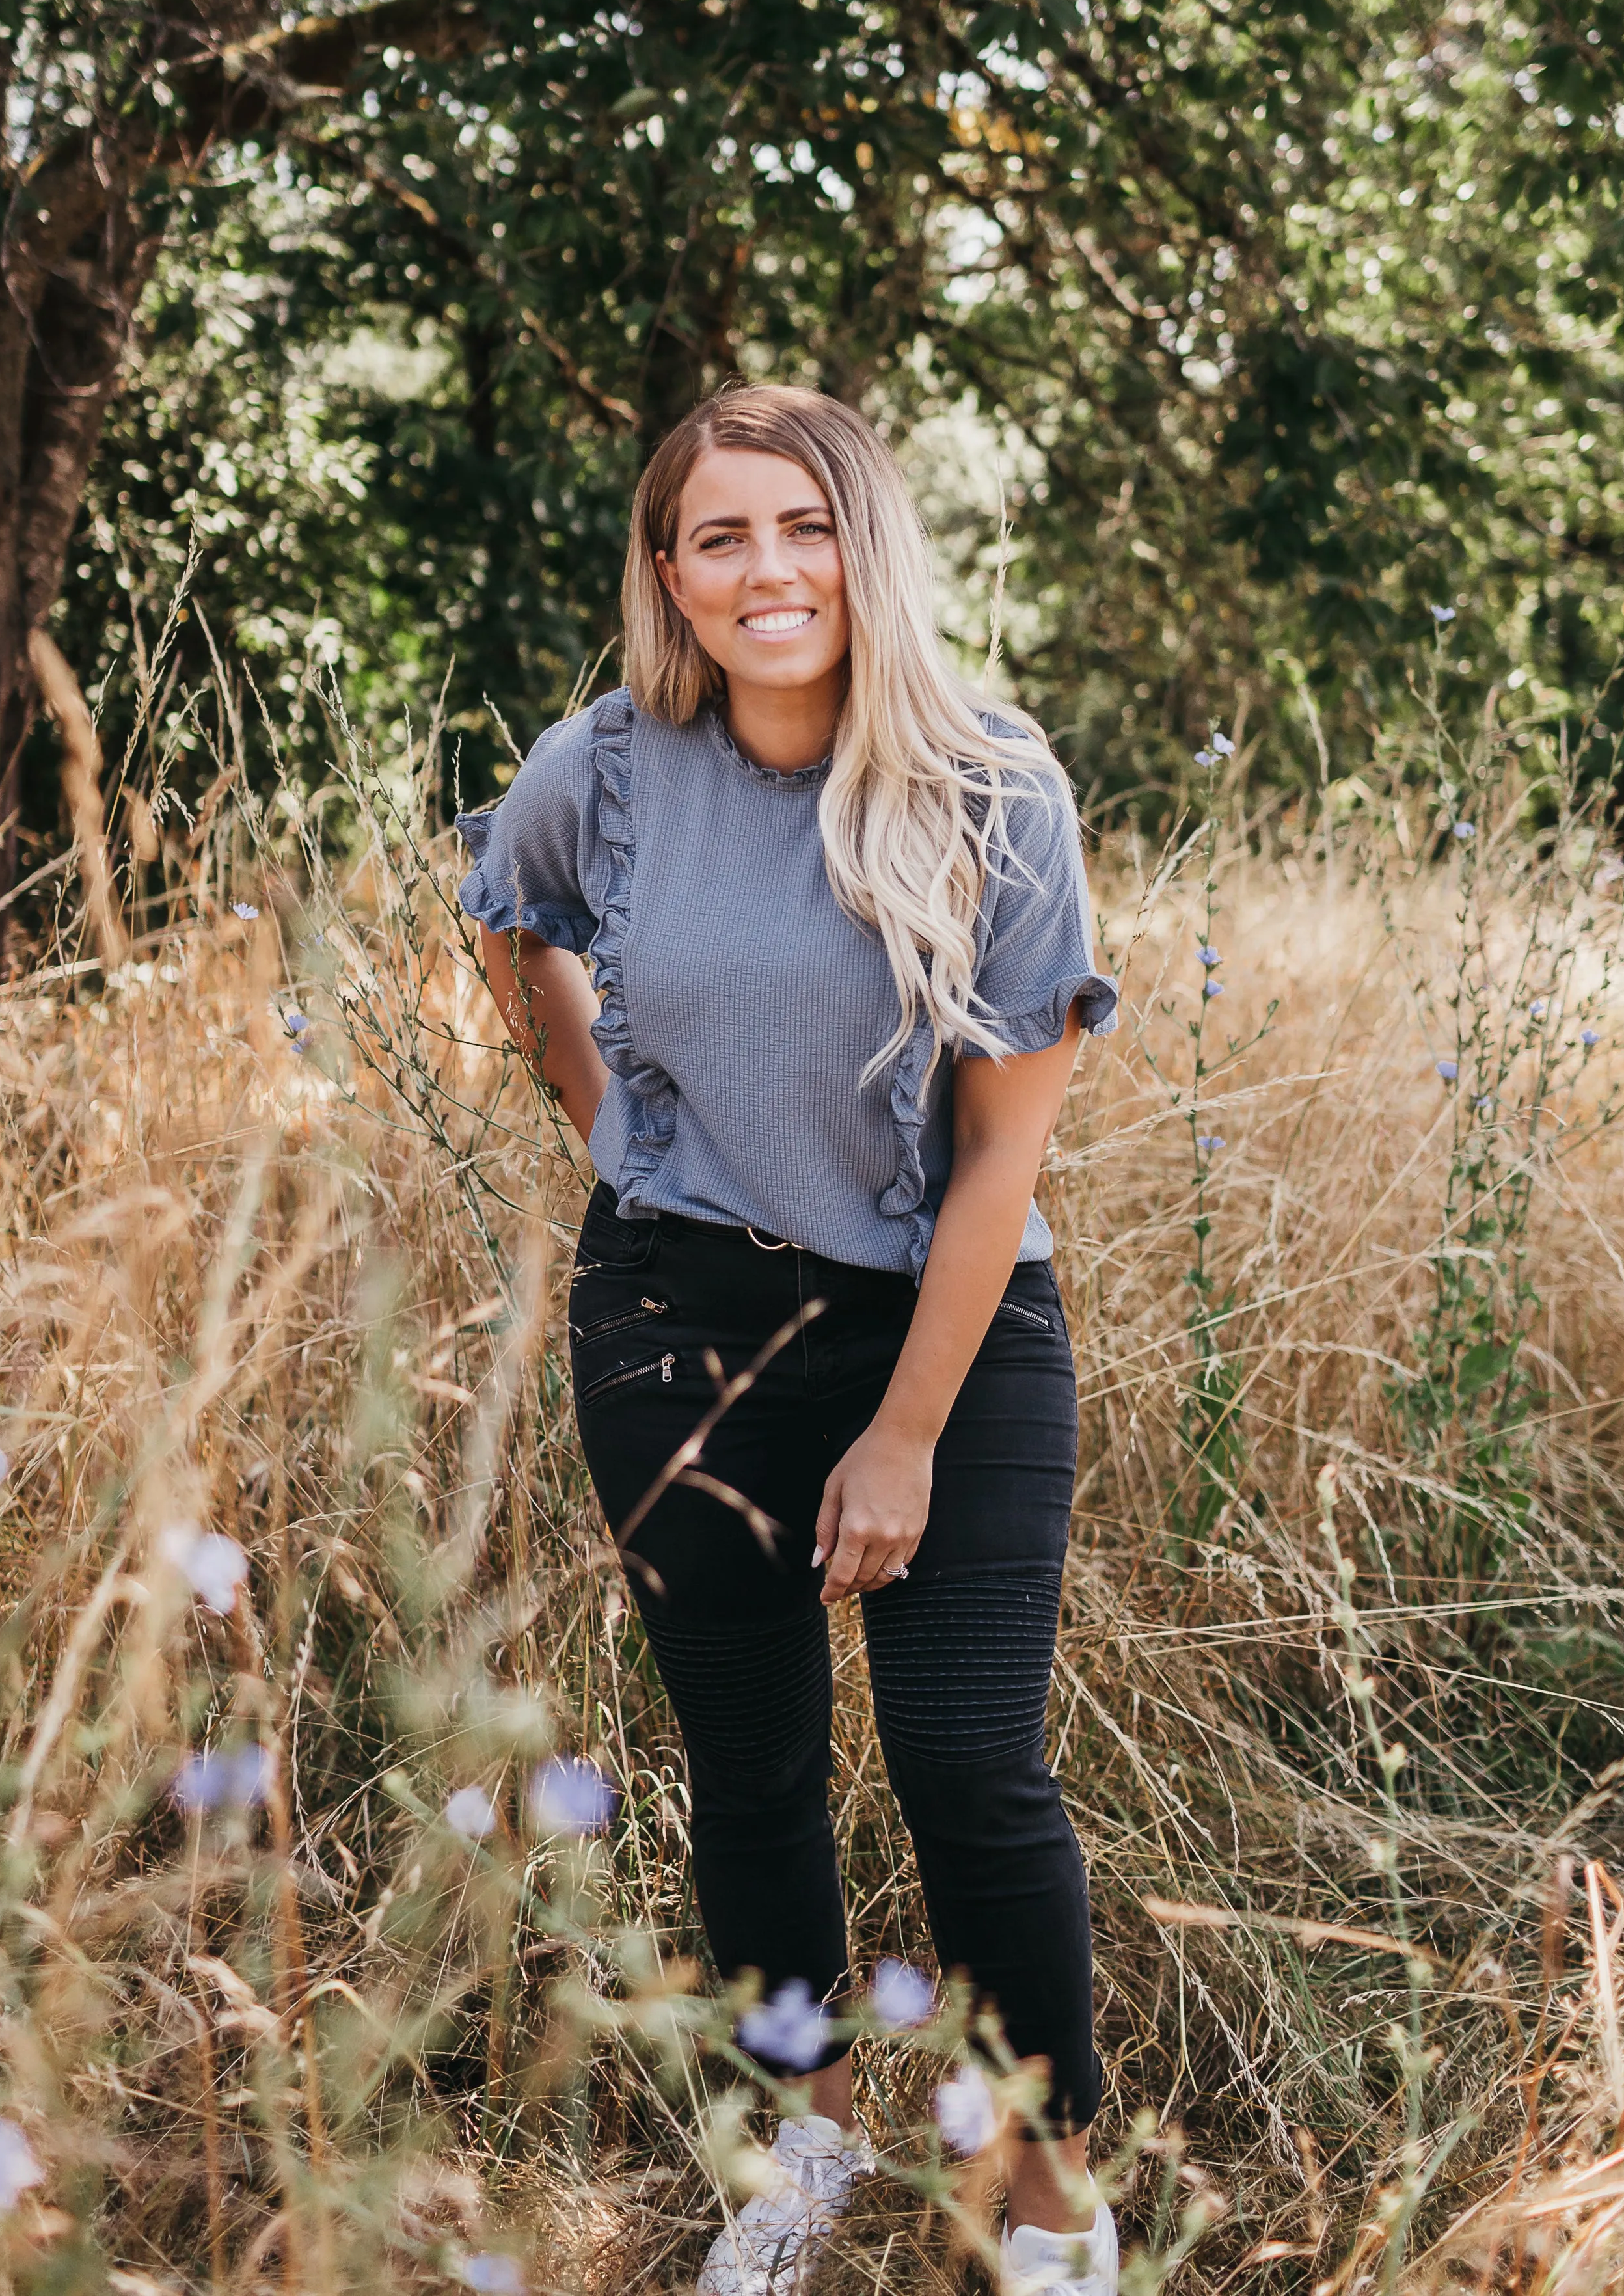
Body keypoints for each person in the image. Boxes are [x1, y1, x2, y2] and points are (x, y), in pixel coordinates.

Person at [457, 385, 1120, 2295]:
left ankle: (1050, 2185)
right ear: (669, 571)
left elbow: (1001, 1152)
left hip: (951, 1327)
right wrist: (615, 1127)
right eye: (720, 535)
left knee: (969, 1759)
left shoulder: (992, 780)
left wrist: (905, 1430)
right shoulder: (607, 766)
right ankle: (806, 2138)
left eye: (804, 524)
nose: (769, 570)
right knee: (748, 1767)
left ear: (868, 541)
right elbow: (514, 924)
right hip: (675, 1317)